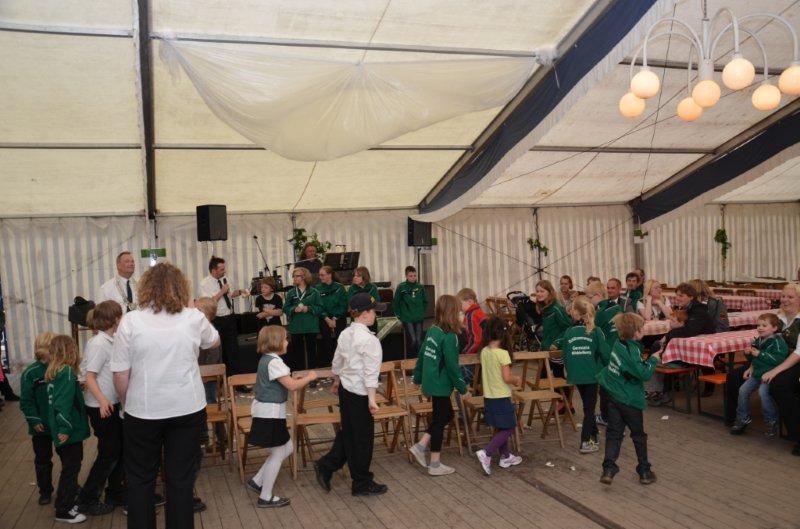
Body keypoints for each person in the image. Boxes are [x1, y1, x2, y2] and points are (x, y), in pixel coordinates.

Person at [112, 262, 220, 529]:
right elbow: (214, 340)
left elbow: (121, 374)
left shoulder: (130, 321)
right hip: (187, 408)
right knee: (180, 479)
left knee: (140, 478)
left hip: (143, 410)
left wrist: (126, 402)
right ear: (181, 288)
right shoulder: (193, 317)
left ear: (145, 288)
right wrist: (192, 311)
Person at [314, 293, 388, 496]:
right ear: (364, 314)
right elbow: (370, 374)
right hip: (360, 392)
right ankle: (361, 481)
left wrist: (337, 381)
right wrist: (372, 400)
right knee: (362, 439)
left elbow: (338, 361)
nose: (375, 315)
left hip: (346, 390)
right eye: (373, 311)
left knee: (349, 433)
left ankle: (327, 465)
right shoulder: (370, 341)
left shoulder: (345, 333)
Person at [247, 326, 317, 508]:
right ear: (276, 342)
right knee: (279, 452)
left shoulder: (268, 360)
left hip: (269, 413)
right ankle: (265, 496)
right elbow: (292, 386)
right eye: (285, 339)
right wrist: (310, 377)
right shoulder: (274, 362)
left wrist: (297, 379)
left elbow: (286, 381)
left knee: (288, 448)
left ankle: (257, 481)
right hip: (269, 414)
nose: (287, 342)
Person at [408, 295, 467, 476]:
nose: (461, 314)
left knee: (445, 415)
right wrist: (462, 388)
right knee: (440, 420)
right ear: (452, 313)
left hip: (431, 382)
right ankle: (434, 464)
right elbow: (452, 366)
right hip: (441, 384)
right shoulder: (450, 336)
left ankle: (421, 445)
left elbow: (422, 356)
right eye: (459, 311)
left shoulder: (432, 330)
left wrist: (417, 378)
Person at [597, 313, 658, 486]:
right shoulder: (632, 349)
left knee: (614, 433)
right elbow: (643, 374)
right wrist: (653, 360)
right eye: (642, 328)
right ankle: (644, 471)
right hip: (629, 399)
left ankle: (608, 469)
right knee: (638, 435)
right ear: (636, 332)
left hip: (613, 396)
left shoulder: (618, 344)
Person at [76, 301, 125, 516]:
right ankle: (87, 499)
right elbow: (89, 377)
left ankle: (115, 492)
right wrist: (103, 400)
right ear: (114, 319)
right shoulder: (98, 344)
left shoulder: (109, 340)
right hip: (100, 406)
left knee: (118, 449)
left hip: (109, 403)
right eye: (120, 316)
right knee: (109, 452)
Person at [555, 296, 609, 454]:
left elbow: (565, 355)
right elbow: (605, 354)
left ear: (576, 313)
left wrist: (570, 370)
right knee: (589, 410)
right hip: (591, 375)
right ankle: (585, 442)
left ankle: (594, 434)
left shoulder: (569, 331)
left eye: (572, 309)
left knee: (587, 405)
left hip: (575, 375)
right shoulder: (596, 331)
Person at [45, 335, 90, 524]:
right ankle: (63, 509)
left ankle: (65, 503)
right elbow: (62, 404)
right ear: (70, 351)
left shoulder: (55, 372)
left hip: (58, 429)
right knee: (71, 469)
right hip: (67, 432)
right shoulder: (67, 373)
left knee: (68, 468)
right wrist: (65, 428)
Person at [648, 282, 716, 407]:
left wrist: (668, 335)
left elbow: (689, 330)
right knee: (657, 347)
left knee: (660, 351)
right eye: (677, 295)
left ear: (691, 297)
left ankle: (662, 391)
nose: (678, 298)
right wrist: (670, 334)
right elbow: (679, 326)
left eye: (681, 295)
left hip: (700, 351)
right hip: (688, 347)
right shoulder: (685, 308)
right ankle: (657, 389)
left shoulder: (698, 310)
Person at [473, 317, 523, 475]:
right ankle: (487, 452)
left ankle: (505, 457)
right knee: (509, 426)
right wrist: (516, 380)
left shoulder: (484, 352)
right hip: (501, 396)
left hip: (489, 397)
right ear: (504, 334)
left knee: (501, 426)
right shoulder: (503, 354)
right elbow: (506, 378)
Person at [730, 313, 788, 437]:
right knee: (743, 390)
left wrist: (760, 354)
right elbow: (754, 359)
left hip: (771, 374)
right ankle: (743, 417)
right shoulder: (758, 340)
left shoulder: (778, 341)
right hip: (757, 373)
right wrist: (748, 354)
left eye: (764, 325)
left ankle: (771, 421)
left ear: (774, 328)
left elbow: (779, 360)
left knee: (763, 392)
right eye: (758, 325)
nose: (760, 328)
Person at [761, 283, 800, 456]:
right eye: (783, 296)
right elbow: (763, 343)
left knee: (779, 385)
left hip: (796, 361)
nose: (785, 300)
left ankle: (797, 434)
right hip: (777, 359)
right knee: (735, 376)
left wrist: (774, 371)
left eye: (790, 297)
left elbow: (798, 353)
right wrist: (754, 365)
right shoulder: (777, 318)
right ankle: (738, 419)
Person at [20, 332, 57, 506]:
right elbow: (26, 401)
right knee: (43, 460)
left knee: (69, 459)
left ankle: (70, 486)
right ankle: (45, 491)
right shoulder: (31, 373)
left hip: (59, 423)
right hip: (41, 426)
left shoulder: (60, 369)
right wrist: (34, 420)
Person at [199, 256, 248, 376]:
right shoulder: (204, 283)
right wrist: (222, 291)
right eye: (221, 269)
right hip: (216, 320)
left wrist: (240, 291)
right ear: (213, 270)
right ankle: (220, 379)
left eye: (224, 268)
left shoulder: (225, 279)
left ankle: (236, 379)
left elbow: (230, 295)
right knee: (218, 351)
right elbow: (208, 303)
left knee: (233, 349)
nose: (224, 271)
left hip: (229, 317)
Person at [283, 267, 322, 372]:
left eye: (297, 276)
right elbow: (285, 308)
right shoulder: (291, 292)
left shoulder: (314, 292)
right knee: (297, 352)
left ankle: (312, 374)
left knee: (311, 351)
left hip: (311, 326)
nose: (294, 278)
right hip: (296, 327)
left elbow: (320, 308)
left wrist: (308, 308)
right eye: (293, 276)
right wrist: (293, 309)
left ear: (304, 277)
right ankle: (299, 373)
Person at [315, 266, 348, 367]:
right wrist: (327, 319)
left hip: (338, 317)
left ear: (330, 275)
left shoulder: (339, 287)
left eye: (322, 275)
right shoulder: (317, 288)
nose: (320, 277)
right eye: (319, 275)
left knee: (340, 340)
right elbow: (318, 306)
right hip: (324, 318)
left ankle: (342, 362)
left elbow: (343, 305)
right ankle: (329, 362)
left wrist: (334, 318)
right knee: (326, 341)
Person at [393, 266, 428, 359]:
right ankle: (411, 360)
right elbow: (396, 302)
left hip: (418, 318)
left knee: (419, 341)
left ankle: (419, 359)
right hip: (407, 318)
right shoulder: (401, 287)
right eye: (410, 276)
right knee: (413, 340)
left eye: (414, 275)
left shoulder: (420, 287)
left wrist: (422, 312)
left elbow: (425, 301)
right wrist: (399, 315)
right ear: (406, 276)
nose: (413, 278)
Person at [457, 288, 488, 384]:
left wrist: (465, 353)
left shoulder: (471, 315)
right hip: (485, 350)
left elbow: (475, 340)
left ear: (470, 301)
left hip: (478, 351)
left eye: (461, 304)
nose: (460, 308)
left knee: (461, 374)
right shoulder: (479, 312)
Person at [348, 266, 381, 332]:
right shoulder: (352, 289)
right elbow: (350, 304)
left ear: (364, 277)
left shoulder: (372, 288)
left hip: (370, 319)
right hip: (357, 319)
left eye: (358, 276)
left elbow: (376, 302)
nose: (355, 277)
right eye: (354, 275)